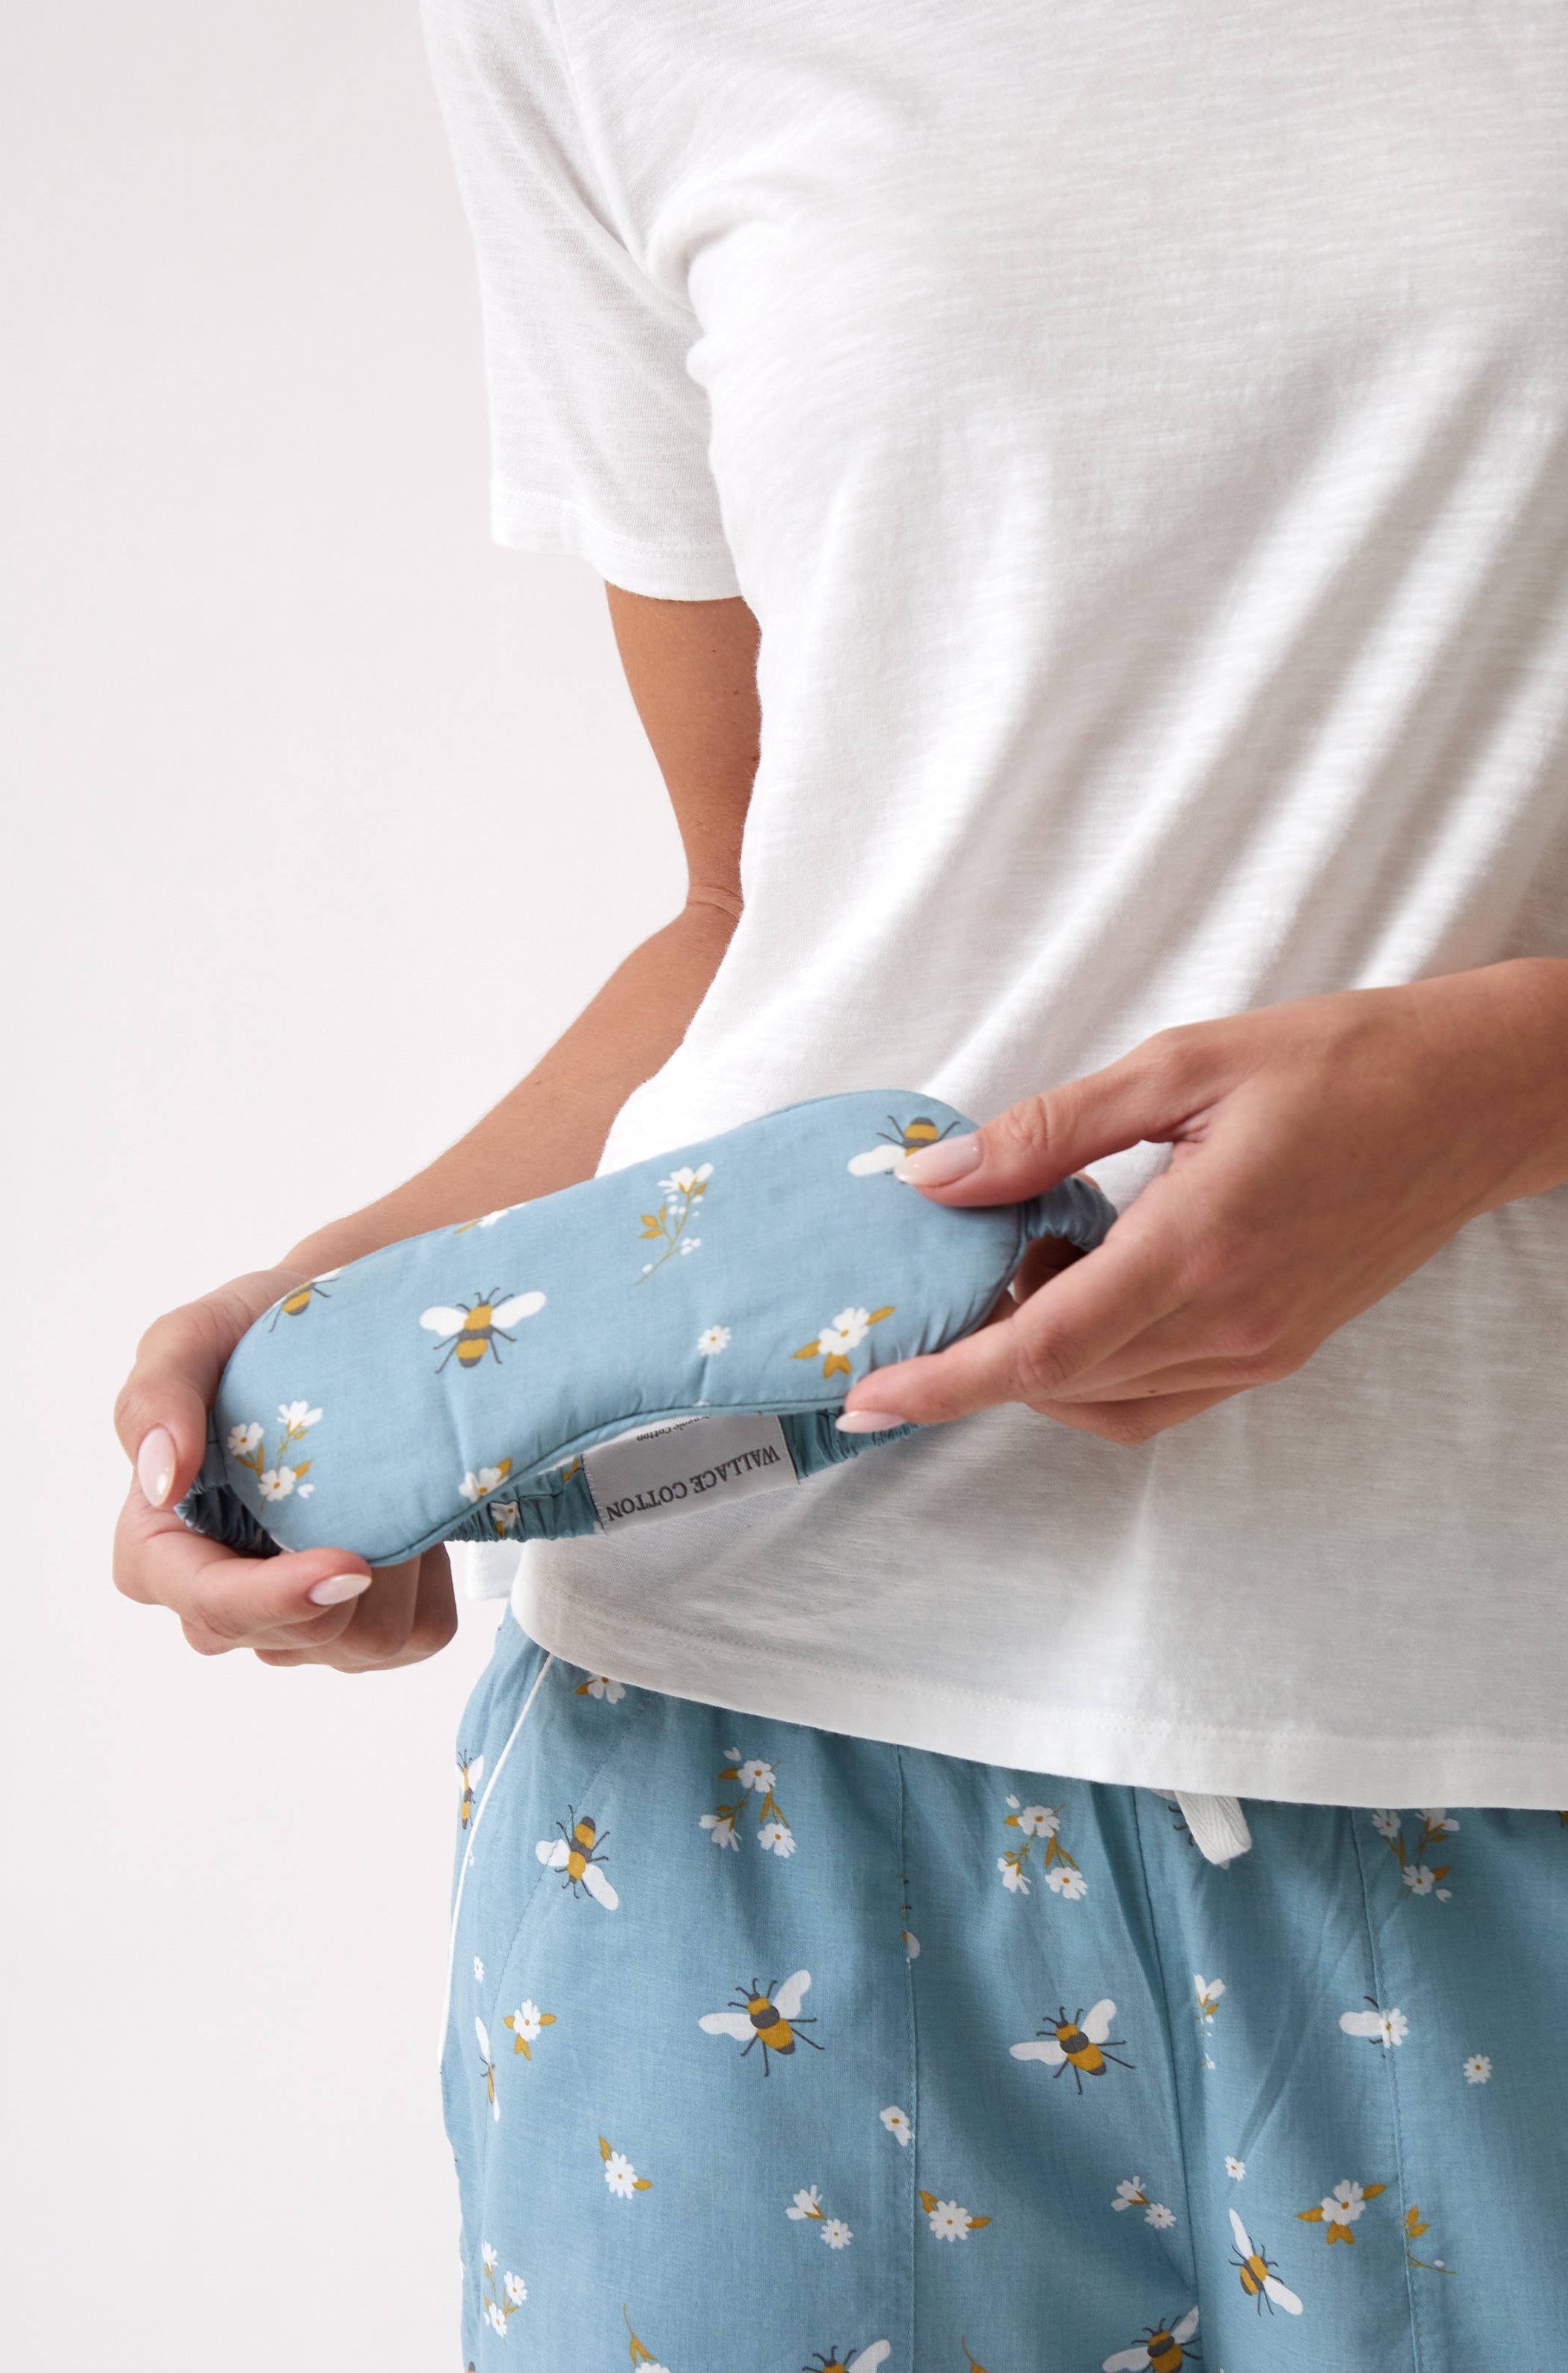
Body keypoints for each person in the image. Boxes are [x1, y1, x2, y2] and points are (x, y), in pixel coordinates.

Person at [113, 1, 1568, 2363]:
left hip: (1497, 1741)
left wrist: (1501, 1092)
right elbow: (746, 903)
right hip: (734, 1771)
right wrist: (342, 1316)